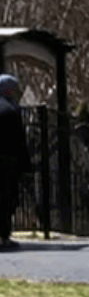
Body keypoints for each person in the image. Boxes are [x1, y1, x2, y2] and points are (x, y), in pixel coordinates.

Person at [0, 74, 32, 250]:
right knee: (6, 199)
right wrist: (25, 164)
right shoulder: (11, 110)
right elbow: (18, 140)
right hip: (6, 161)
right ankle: (3, 236)